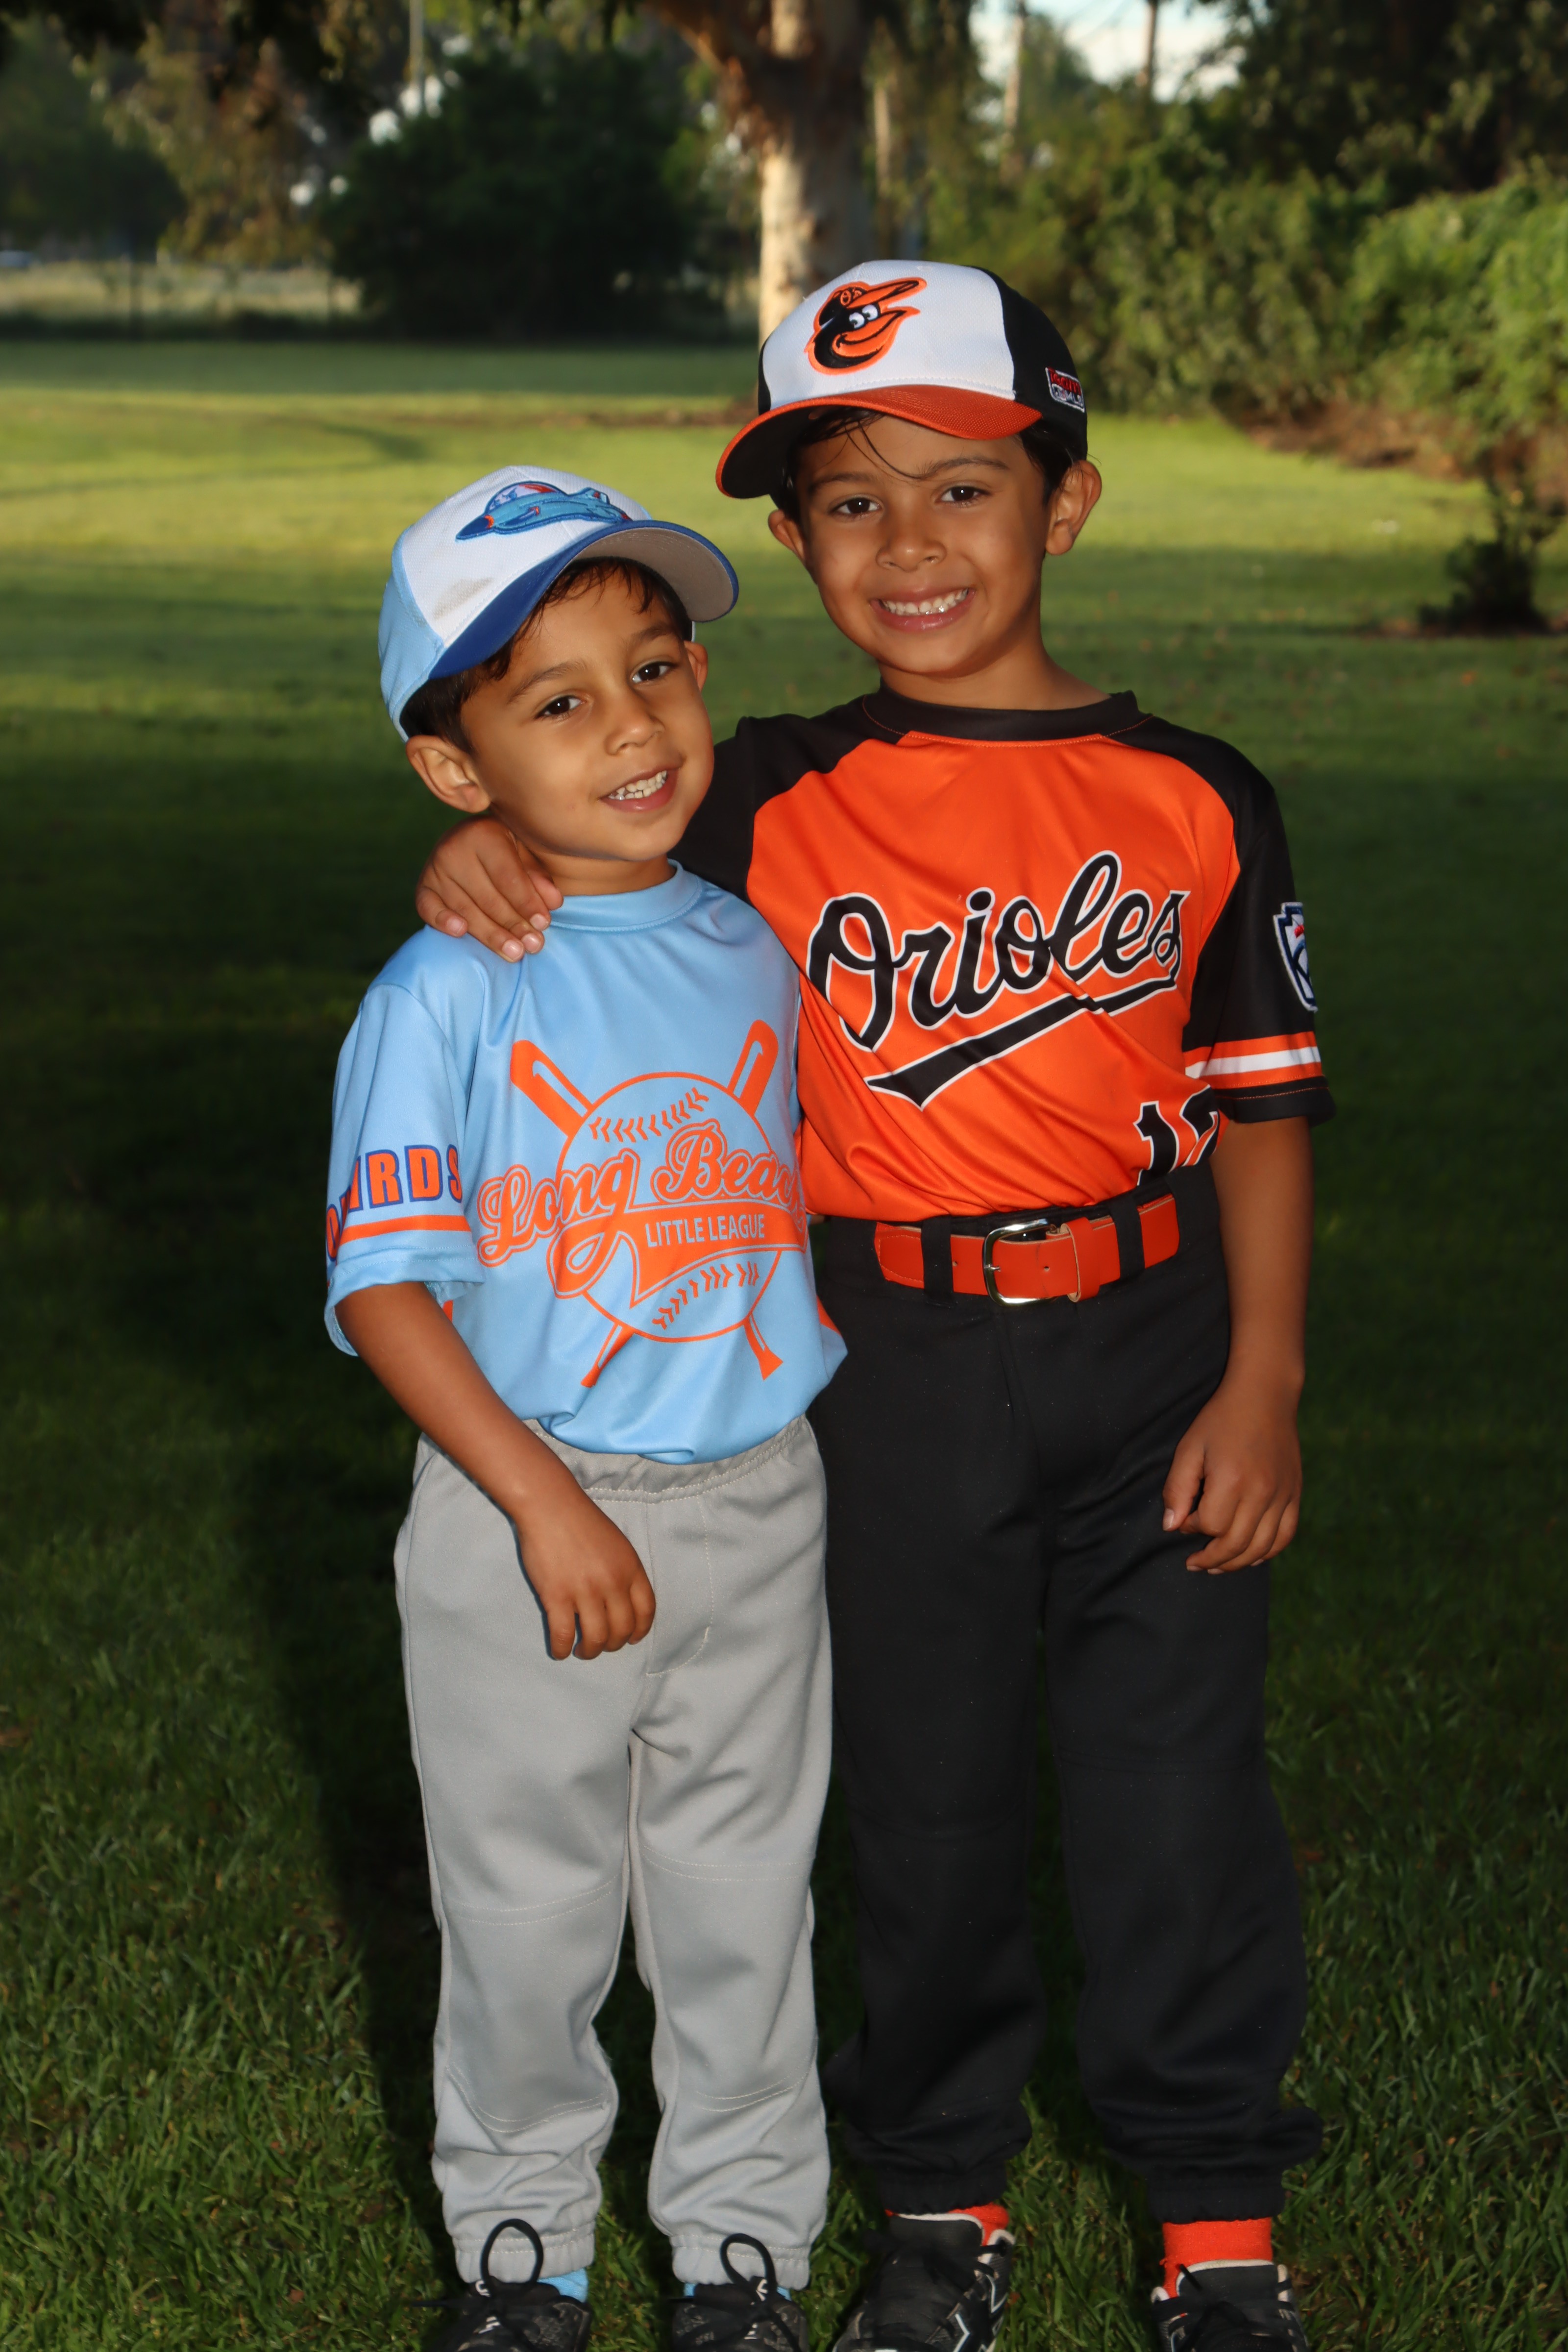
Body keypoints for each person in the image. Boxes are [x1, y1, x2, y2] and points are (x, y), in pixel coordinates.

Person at [410, 266, 1330, 2352]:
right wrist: (464, 875)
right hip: (881, 1359)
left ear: (1063, 502)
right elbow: (552, 834)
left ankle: (1214, 2223)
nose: (906, 542)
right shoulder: (750, 790)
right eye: (847, 501)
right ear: (794, 536)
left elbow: (1264, 1111)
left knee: (1174, 1794)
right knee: (921, 1798)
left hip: (1156, 1342)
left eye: (961, 487)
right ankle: (939, 2202)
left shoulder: (1198, 793)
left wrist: (1265, 1377)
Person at [326, 464, 847, 2352]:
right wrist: (546, 1506)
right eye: (558, 701)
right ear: (454, 768)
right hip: (524, 1510)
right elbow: (385, 1290)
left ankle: (739, 2252)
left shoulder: (753, 940)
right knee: (528, 1912)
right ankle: (522, 2253)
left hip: (758, 1495)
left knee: (744, 1905)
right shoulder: (443, 990)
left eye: (658, 668)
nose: (632, 726)